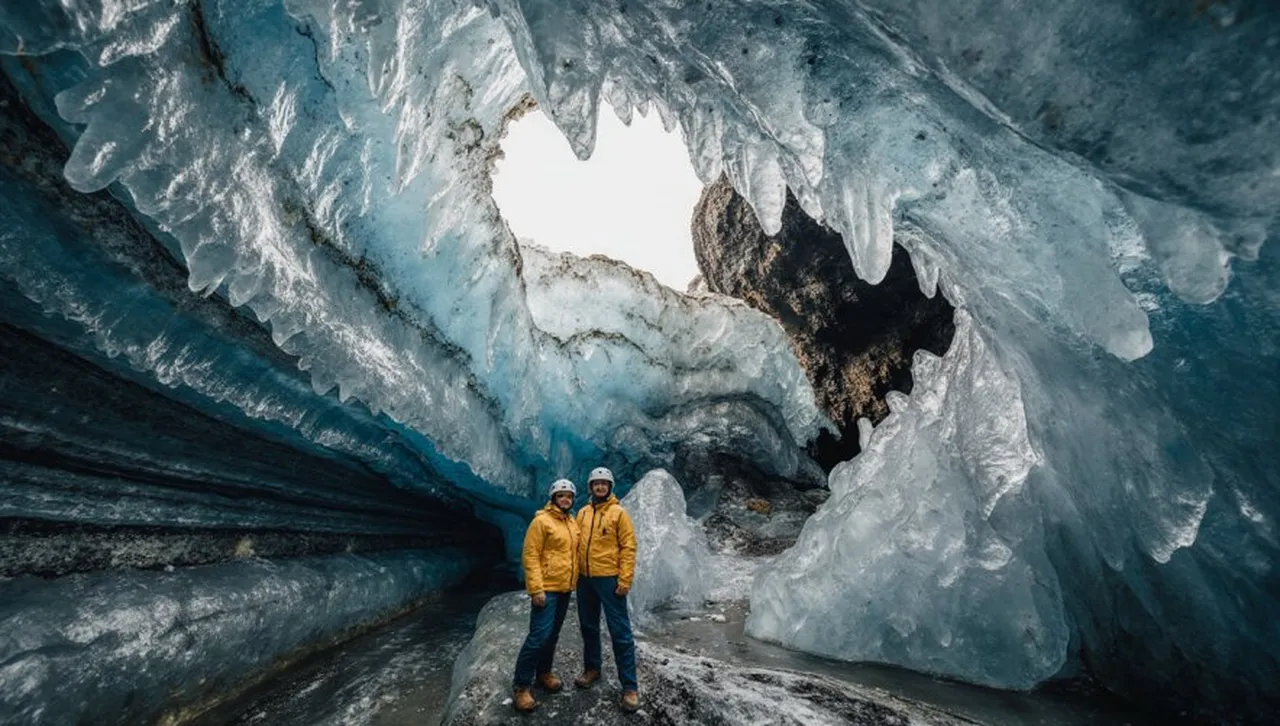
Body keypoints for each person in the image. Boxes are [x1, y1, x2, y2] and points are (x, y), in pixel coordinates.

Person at [573, 466, 640, 712]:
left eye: (604, 483)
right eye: (596, 483)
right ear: (590, 487)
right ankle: (592, 668)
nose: (600, 487)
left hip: (609, 579)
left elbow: (628, 547)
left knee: (620, 632)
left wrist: (625, 579)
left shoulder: (618, 513)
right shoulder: (582, 513)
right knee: (588, 626)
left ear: (610, 487)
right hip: (585, 579)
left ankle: (630, 687)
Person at [512, 478, 580, 713]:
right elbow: (530, 555)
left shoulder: (572, 523)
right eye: (561, 495)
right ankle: (521, 686)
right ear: (553, 498)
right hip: (547, 589)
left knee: (552, 635)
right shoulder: (541, 521)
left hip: (564, 588)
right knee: (538, 636)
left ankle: (544, 673)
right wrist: (536, 589)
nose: (566, 499)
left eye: (569, 496)